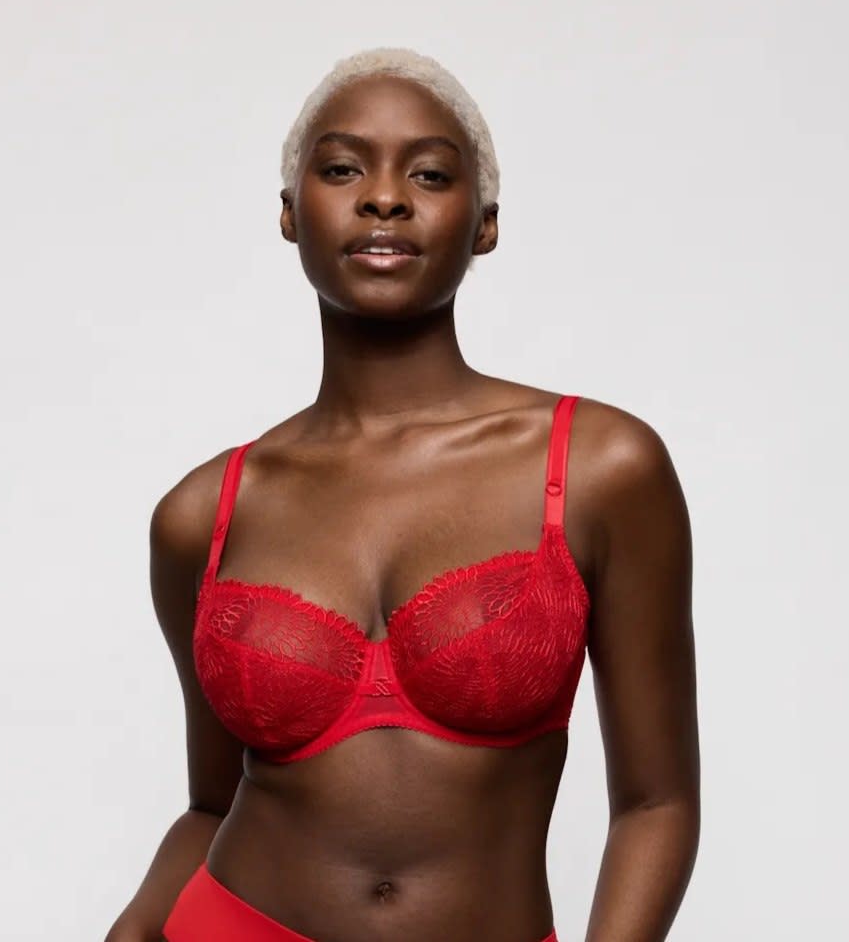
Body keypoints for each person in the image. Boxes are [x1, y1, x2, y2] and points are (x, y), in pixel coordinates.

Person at [105, 46, 699, 942]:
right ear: (290, 213)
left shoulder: (600, 467)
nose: (384, 197)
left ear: (484, 223)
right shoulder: (202, 514)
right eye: (343, 168)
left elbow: (657, 803)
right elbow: (211, 806)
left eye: (429, 174)